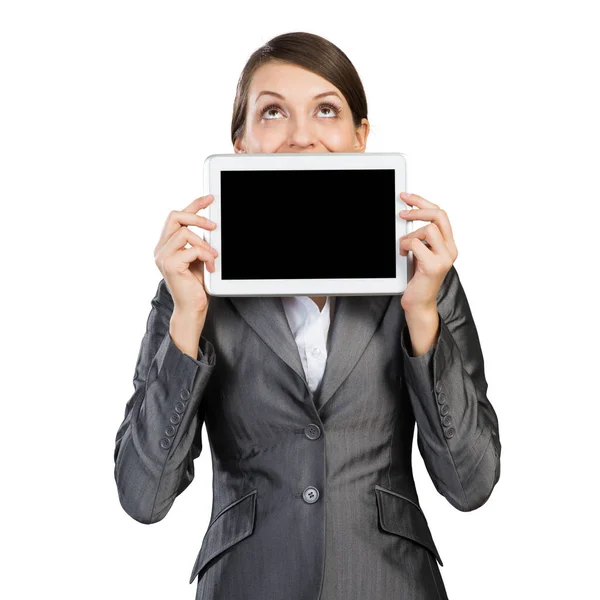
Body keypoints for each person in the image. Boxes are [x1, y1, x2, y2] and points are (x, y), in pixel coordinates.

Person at [113, 31, 501, 600]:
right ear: (240, 145)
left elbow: (471, 484)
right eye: (272, 112)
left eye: (326, 110)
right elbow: (143, 497)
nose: (301, 136)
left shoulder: (422, 275)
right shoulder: (194, 284)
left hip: (388, 583)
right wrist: (189, 318)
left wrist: (422, 317)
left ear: (359, 137)